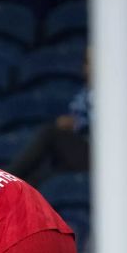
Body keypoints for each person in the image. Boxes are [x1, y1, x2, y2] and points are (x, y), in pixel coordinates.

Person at [8, 49, 92, 184]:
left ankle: (6, 179)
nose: (87, 67)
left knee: (50, 133)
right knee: (37, 180)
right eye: (87, 62)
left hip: (101, 156)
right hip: (79, 149)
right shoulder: (86, 90)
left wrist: (78, 123)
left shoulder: (116, 92)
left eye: (91, 62)